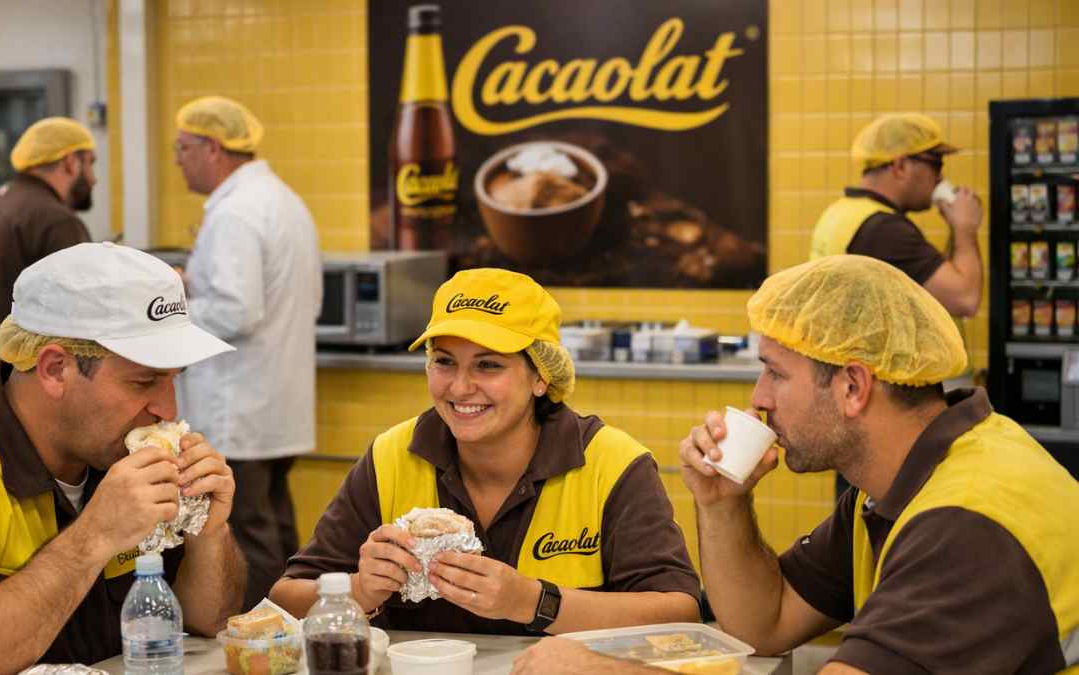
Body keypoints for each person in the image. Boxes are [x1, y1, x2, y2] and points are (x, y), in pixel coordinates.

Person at [516, 254, 1079, 674]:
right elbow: (766, 625)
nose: (758, 397)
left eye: (775, 372)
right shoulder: (897, 482)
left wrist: (608, 671)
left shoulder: (967, 522)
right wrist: (723, 503)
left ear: (854, 385)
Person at [0, 242, 247, 672]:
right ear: (55, 369)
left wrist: (209, 530)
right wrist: (94, 536)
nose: (168, 409)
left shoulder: (112, 448)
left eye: (172, 380)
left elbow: (211, 620)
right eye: (143, 381)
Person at [272, 268, 701, 635]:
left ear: (541, 377)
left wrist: (535, 602)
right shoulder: (392, 456)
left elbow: (680, 612)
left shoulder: (612, 463)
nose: (460, 388)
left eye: (488, 364)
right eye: (444, 362)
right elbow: (285, 599)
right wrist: (359, 591)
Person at [172, 95, 323, 610]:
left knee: (247, 528)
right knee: (275, 523)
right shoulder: (283, 200)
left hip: (240, 404)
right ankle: (292, 620)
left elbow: (237, 310)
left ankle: (259, 634)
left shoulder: (236, 212)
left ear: (213, 148)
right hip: (273, 402)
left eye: (184, 148)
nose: (178, 161)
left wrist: (174, 306)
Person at [0, 117, 97, 395]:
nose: (94, 178)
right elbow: (79, 315)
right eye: (91, 163)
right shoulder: (55, 220)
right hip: (14, 377)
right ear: (71, 162)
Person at [809, 113, 984, 318]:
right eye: (936, 164)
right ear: (900, 166)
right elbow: (965, 300)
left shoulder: (842, 211)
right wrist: (965, 228)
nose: (940, 177)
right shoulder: (884, 230)